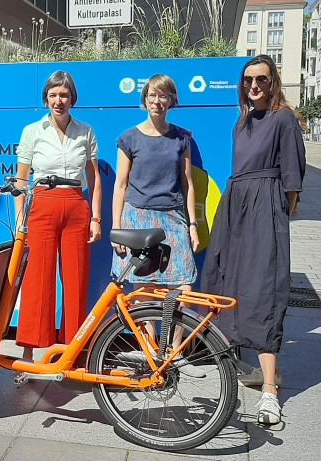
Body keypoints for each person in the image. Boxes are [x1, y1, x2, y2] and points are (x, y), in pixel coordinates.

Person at [202, 54, 306, 425]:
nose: (254, 86)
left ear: (273, 81)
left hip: (266, 206)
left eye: (261, 79)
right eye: (248, 80)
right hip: (237, 204)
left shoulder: (284, 119)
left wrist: (279, 213)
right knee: (228, 279)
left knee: (263, 287)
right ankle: (233, 365)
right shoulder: (242, 120)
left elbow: (293, 176)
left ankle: (270, 390)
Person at [110, 73, 205, 378]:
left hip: (172, 217)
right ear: (145, 99)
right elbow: (120, 186)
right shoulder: (129, 138)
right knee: (143, 288)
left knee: (184, 285)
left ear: (172, 101)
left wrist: (192, 225)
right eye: (152, 95)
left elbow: (189, 184)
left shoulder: (182, 137)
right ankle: (152, 348)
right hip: (137, 216)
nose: (157, 101)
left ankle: (175, 352)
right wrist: (116, 227)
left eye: (163, 96)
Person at [14, 70, 102, 364]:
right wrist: (19, 223)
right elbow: (21, 180)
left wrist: (96, 217)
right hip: (42, 205)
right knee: (38, 278)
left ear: (72, 97)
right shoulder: (32, 131)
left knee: (76, 280)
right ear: (46, 98)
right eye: (53, 95)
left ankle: (73, 351)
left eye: (63, 95)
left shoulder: (86, 131)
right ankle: (28, 351)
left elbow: (95, 178)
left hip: (77, 206)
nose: (58, 101)